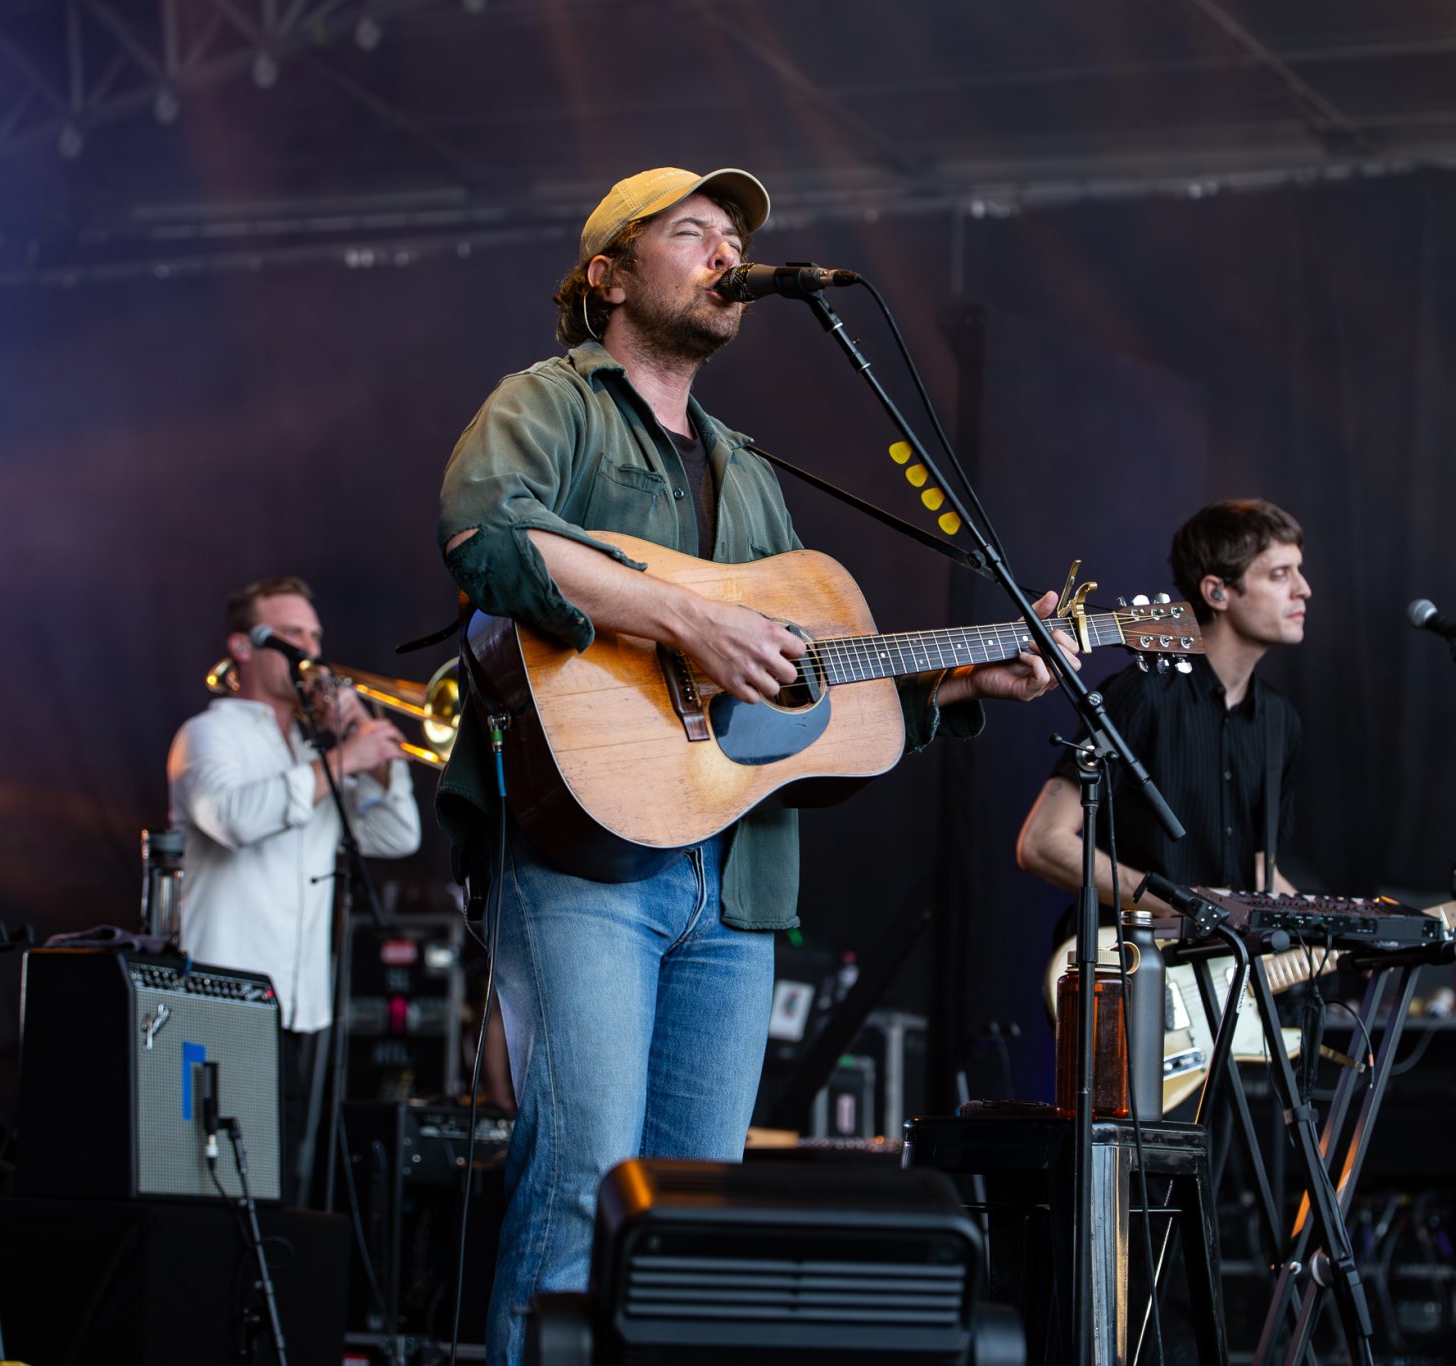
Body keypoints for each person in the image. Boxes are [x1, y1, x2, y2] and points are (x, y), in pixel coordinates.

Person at [435, 166, 1071, 1364]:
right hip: (584, 855)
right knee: (581, 1180)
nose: (726, 253)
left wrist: (954, 684)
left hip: (732, 883)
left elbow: (798, 701)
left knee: (682, 1212)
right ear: (607, 275)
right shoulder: (552, 403)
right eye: (693, 233)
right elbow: (485, 528)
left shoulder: (753, 470)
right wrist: (681, 622)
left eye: (734, 238)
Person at [167, 575, 422, 1199]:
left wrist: (373, 748)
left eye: (315, 635)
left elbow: (396, 836)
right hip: (220, 996)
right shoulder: (209, 735)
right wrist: (344, 760)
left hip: (296, 1003)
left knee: (276, 1189)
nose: (311, 649)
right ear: (244, 647)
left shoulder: (312, 752)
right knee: (216, 1190)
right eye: (291, 635)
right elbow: (231, 818)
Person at [1015, 498, 1311, 922]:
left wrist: (1328, 932)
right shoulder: (1143, 693)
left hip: (1222, 976)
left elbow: (1260, 872)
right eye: (1280, 575)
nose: (1304, 589)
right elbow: (1042, 841)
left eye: (1298, 571)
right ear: (1217, 591)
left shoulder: (1281, 719)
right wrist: (1185, 910)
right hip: (1135, 967)